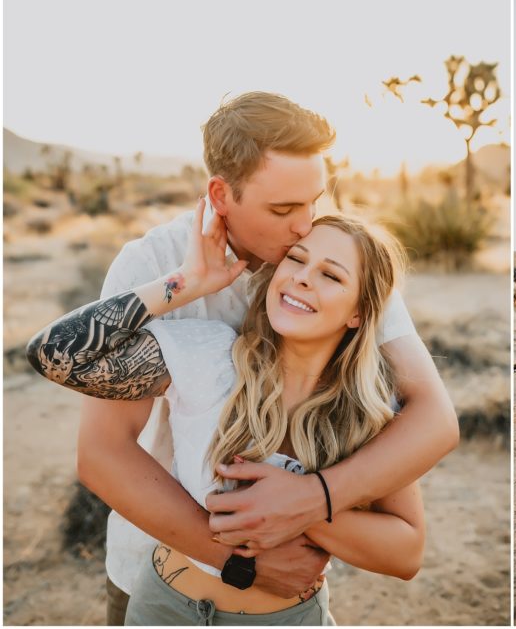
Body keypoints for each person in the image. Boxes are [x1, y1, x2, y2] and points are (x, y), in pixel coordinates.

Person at [72, 92, 458, 623]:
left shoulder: (335, 263)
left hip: (286, 581)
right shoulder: (152, 263)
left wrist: (312, 500)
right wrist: (238, 563)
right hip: (156, 564)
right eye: (283, 210)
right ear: (221, 194)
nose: (305, 226)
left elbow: (435, 419)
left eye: (314, 202)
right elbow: (101, 451)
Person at [29, 203, 426, 623]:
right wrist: (188, 282)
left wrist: (301, 508)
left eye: (331, 275)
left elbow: (406, 553)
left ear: (359, 313)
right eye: (295, 259)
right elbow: (54, 354)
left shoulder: (368, 410)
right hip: (165, 608)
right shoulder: (211, 356)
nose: (303, 278)